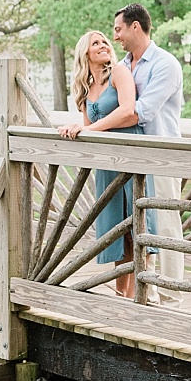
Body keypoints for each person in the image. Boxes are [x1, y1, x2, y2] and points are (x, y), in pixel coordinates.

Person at [57, 30, 142, 297]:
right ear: (85, 53)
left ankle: (135, 296)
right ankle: (121, 294)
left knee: (134, 226)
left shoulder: (119, 72)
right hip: (106, 163)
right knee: (115, 227)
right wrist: (78, 129)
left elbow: (128, 110)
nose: (104, 45)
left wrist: (90, 131)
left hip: (129, 155)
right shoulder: (84, 89)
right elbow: (87, 128)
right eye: (96, 43)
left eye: (105, 41)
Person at [111, 3, 186, 287]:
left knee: (165, 225)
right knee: (138, 226)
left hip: (160, 156)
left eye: (118, 29)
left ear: (135, 26)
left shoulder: (165, 64)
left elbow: (142, 111)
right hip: (129, 158)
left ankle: (171, 295)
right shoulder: (120, 67)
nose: (115, 36)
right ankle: (148, 292)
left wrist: (93, 127)